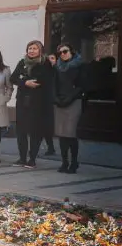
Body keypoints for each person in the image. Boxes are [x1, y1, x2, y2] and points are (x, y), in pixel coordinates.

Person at [10, 40, 52, 168]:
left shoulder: (45, 63)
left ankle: (32, 159)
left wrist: (24, 78)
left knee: (35, 131)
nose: (31, 51)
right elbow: (13, 78)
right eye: (30, 48)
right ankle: (22, 158)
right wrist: (25, 82)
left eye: (34, 48)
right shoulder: (22, 62)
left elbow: (44, 80)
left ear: (40, 50)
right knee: (21, 130)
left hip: (38, 102)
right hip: (22, 101)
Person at [53, 43, 85, 173]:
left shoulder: (80, 65)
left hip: (74, 101)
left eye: (65, 51)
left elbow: (82, 85)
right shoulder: (57, 67)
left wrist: (70, 98)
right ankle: (64, 162)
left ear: (71, 51)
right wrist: (55, 98)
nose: (62, 54)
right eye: (60, 53)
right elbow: (53, 84)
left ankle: (74, 162)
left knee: (71, 133)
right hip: (59, 102)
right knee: (61, 134)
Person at [43, 54, 57, 156]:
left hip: (58, 101)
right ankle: (50, 147)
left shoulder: (59, 70)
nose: (50, 60)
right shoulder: (45, 71)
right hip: (46, 100)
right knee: (46, 125)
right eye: (48, 58)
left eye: (52, 58)